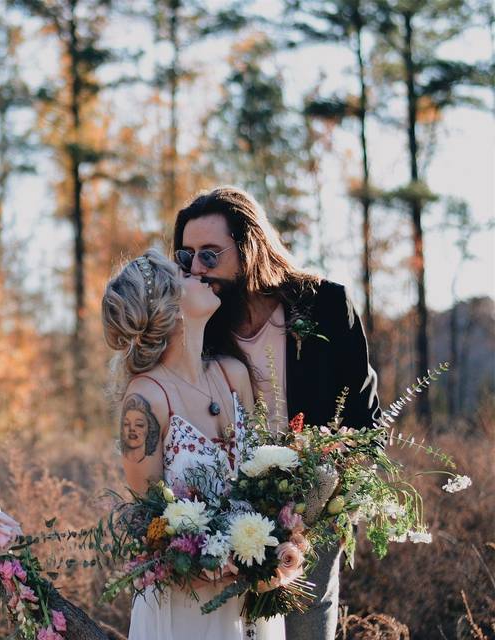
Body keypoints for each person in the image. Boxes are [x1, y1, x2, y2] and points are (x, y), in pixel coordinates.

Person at [172, 186, 381, 640]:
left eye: (210, 255)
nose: (196, 269)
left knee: (308, 627)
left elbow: (365, 416)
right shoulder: (201, 324)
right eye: (185, 256)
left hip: (315, 506)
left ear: (247, 249)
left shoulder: (325, 306)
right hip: (229, 510)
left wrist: (333, 496)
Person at [102, 248, 284, 639]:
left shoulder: (232, 373)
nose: (199, 274)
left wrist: (284, 536)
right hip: (187, 603)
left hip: (252, 595)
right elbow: (147, 520)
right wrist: (203, 559)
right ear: (169, 306)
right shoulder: (145, 399)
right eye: (183, 274)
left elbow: (262, 477)